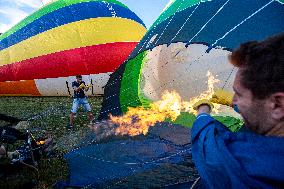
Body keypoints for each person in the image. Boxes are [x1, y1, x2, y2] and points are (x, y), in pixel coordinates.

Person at [191, 33, 284, 188]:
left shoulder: (247, 164)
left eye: (238, 94)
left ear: (277, 104)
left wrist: (203, 112)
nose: (233, 100)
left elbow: (209, 147)